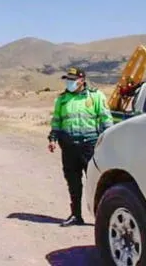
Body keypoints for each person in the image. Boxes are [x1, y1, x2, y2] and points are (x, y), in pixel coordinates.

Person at [48, 67, 113, 227]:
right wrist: (53, 138)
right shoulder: (62, 100)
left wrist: (109, 139)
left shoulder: (96, 96)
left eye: (72, 79)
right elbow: (57, 120)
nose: (69, 82)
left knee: (96, 181)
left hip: (89, 145)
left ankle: (103, 220)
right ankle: (76, 215)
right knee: (73, 182)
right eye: (68, 79)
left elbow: (105, 118)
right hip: (69, 147)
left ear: (81, 80)